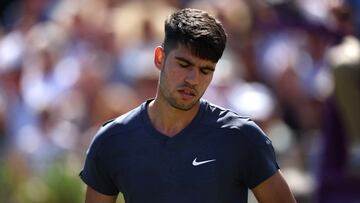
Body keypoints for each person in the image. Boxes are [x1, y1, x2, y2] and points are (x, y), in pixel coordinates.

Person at [79, 8, 297, 203]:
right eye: (184, 65)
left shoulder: (242, 137)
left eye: (205, 70)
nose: (193, 79)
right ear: (159, 58)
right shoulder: (112, 140)